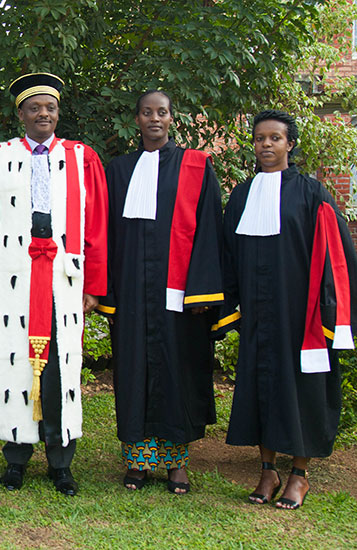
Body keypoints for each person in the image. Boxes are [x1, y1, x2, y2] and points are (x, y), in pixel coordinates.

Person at [220, 110, 357, 509]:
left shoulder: (313, 194)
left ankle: (299, 474)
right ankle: (268, 470)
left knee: (303, 392)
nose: (266, 144)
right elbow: (228, 255)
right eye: (259, 138)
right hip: (257, 315)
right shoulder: (242, 195)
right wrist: (228, 306)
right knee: (260, 388)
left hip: (302, 317)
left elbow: (336, 258)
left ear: (290, 144)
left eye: (275, 138)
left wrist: (333, 314)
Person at [0, 73, 108, 496]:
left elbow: (96, 224)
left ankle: (60, 460)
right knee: (16, 359)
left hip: (64, 275)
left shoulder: (81, 157)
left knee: (62, 363)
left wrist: (94, 283)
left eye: (50, 108)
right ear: (21, 115)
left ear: (58, 112)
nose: (43, 114)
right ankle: (16, 457)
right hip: (15, 271)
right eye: (34, 108)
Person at [97, 90, 223, 494]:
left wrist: (201, 292)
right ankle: (138, 462)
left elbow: (210, 229)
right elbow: (104, 231)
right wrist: (106, 289)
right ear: (136, 120)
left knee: (177, 371)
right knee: (133, 372)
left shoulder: (196, 167)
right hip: (132, 290)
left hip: (178, 293)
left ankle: (176, 464)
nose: (155, 118)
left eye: (162, 112)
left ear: (172, 118)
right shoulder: (118, 170)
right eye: (147, 112)